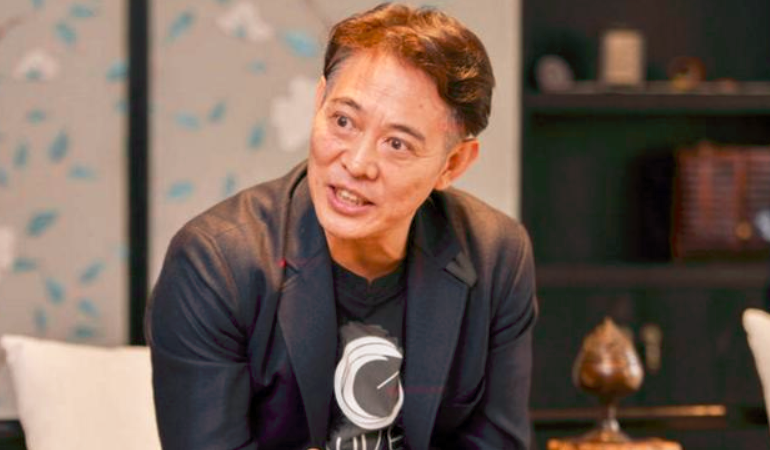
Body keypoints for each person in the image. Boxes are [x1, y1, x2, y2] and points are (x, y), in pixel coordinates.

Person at [145, 3, 537, 449]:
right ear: (319, 103)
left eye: (397, 143)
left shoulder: (495, 256)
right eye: (343, 121)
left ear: (453, 164)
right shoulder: (216, 265)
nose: (356, 163)